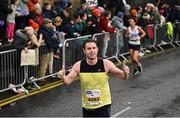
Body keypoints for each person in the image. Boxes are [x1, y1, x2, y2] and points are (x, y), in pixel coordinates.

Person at [58, 39, 129, 117]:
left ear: (97, 49)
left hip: (103, 105)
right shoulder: (79, 65)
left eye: (94, 48)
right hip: (87, 106)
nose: (92, 51)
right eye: (89, 49)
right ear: (84, 51)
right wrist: (63, 77)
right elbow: (67, 81)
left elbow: (122, 76)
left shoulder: (106, 64)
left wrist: (125, 73)